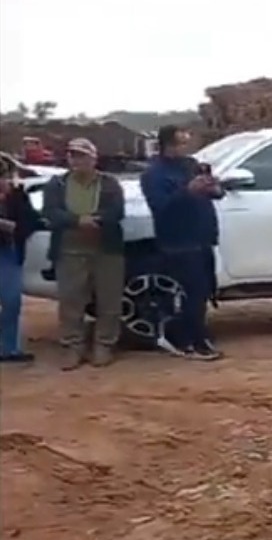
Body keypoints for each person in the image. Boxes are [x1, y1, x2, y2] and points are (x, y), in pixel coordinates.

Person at [41, 138, 126, 370]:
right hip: (69, 249)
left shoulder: (109, 183)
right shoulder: (56, 184)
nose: (76, 160)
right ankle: (73, 346)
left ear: (93, 158)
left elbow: (117, 211)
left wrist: (96, 220)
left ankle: (104, 344)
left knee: (109, 300)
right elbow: (50, 212)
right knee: (71, 301)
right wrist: (78, 221)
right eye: (72, 155)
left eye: (81, 155)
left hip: (106, 249)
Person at [140, 125, 223, 361]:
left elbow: (215, 193)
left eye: (187, 142)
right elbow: (161, 206)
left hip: (203, 237)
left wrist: (213, 186)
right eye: (180, 143)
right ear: (167, 144)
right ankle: (184, 340)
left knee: (204, 290)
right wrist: (188, 191)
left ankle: (200, 336)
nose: (185, 148)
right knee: (190, 293)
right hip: (178, 241)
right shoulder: (153, 174)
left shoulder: (190, 165)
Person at [0, 156, 43, 363]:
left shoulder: (17, 196)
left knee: (11, 301)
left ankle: (9, 349)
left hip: (9, 251)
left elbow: (32, 221)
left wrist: (13, 228)